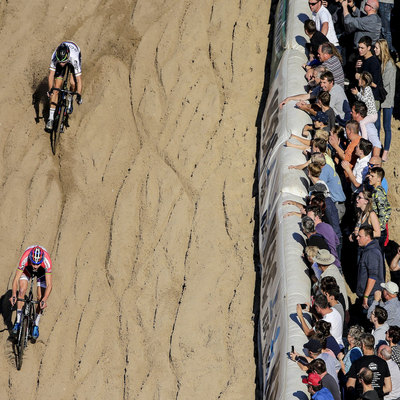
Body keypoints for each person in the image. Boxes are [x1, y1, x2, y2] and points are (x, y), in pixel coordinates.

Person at [9, 245, 53, 340]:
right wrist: (13, 295)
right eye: (33, 263)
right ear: (30, 259)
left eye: (37, 264)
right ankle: (18, 322)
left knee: (40, 298)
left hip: (42, 272)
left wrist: (44, 300)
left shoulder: (47, 261)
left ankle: (36, 324)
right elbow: (16, 279)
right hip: (26, 270)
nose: (35, 266)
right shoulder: (25, 258)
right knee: (21, 291)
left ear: (42, 261)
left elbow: (49, 285)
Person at [46, 41, 83, 130]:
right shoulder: (55, 57)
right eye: (60, 62)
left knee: (73, 83)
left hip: (74, 53)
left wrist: (78, 94)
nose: (62, 64)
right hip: (64, 57)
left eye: (64, 62)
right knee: (55, 90)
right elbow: (51, 75)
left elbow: (79, 79)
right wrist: (50, 90)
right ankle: (50, 118)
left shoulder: (74, 58)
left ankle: (69, 98)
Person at [347, 333, 392, 399]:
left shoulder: (357, 363)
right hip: (377, 397)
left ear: (363, 345)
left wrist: (360, 395)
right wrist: (375, 393)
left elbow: (350, 385)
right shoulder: (382, 363)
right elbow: (388, 387)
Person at [374, 39, 397, 161]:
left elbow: (384, 82)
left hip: (386, 99)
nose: (374, 49)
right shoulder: (378, 62)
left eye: (377, 48)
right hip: (379, 98)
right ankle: (377, 147)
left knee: (386, 126)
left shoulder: (389, 65)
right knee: (377, 125)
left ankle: (386, 151)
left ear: (382, 49)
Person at [356, 226, 384, 309]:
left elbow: (373, 276)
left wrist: (366, 296)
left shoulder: (372, 252)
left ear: (368, 237)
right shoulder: (368, 249)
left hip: (371, 297)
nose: (357, 238)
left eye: (360, 236)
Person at [355, 36, 384, 104]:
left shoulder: (374, 62)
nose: (360, 50)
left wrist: (361, 77)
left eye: (362, 48)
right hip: (364, 97)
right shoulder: (361, 59)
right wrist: (356, 68)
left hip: (373, 98)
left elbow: (374, 83)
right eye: (359, 47)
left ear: (369, 48)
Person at [351, 72, 378, 139]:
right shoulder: (362, 89)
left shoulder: (367, 89)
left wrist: (357, 94)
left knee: (362, 123)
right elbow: (360, 101)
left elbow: (364, 100)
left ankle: (364, 139)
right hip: (367, 114)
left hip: (372, 115)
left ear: (363, 81)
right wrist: (356, 94)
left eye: (360, 79)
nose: (358, 80)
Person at [368, 167, 391, 248]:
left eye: (372, 176)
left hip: (379, 231)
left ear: (379, 179)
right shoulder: (376, 190)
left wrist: (379, 228)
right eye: (369, 175)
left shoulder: (378, 192)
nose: (369, 177)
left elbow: (383, 211)